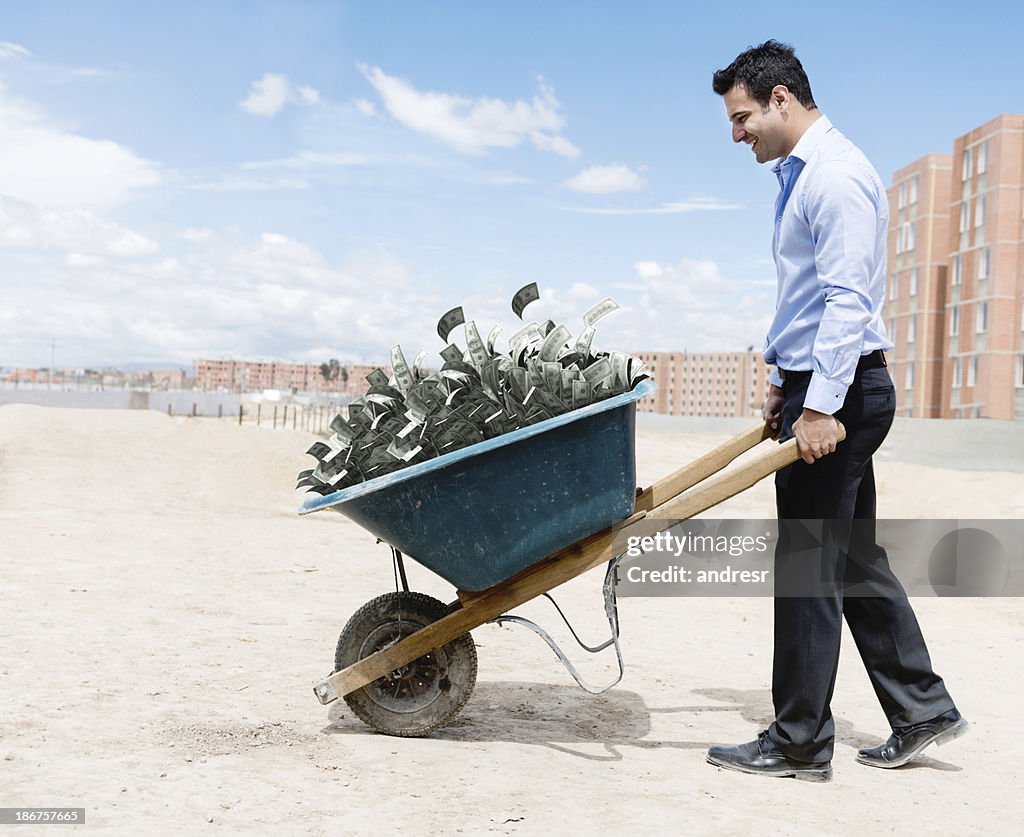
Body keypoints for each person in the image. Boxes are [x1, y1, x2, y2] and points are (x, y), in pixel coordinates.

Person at [705, 40, 967, 782]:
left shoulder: (838, 175)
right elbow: (808, 297)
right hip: (826, 386)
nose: (737, 133)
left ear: (782, 97)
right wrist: (784, 381)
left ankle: (798, 740)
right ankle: (921, 707)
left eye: (743, 116)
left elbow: (850, 300)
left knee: (809, 565)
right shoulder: (801, 176)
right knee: (849, 559)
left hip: (842, 393)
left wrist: (817, 406)